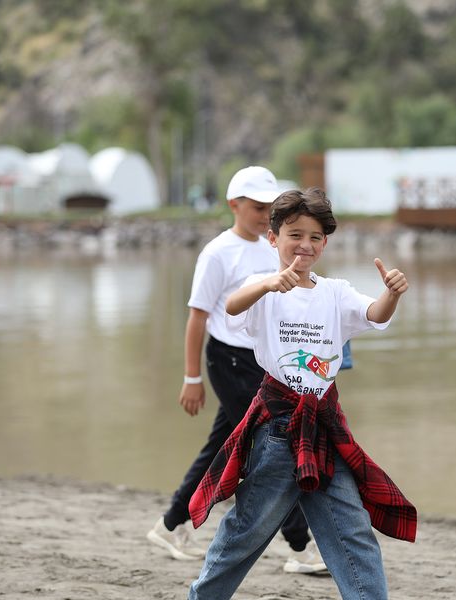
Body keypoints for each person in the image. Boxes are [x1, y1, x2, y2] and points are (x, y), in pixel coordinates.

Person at [185, 187, 417, 600]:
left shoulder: (336, 292)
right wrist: (270, 284)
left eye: (314, 237)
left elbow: (374, 314)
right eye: (294, 235)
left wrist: (392, 293)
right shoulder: (262, 288)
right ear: (272, 238)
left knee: (353, 532)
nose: (304, 244)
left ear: (324, 243)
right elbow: (232, 307)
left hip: (324, 429)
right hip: (276, 430)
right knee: (246, 531)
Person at [146, 166, 326, 574]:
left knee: (222, 446)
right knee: (276, 442)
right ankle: (300, 546)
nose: (265, 215)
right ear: (234, 204)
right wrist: (192, 377)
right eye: (258, 207)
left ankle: (171, 523)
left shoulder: (272, 246)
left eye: (270, 208)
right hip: (228, 361)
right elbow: (197, 317)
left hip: (264, 362)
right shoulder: (218, 253)